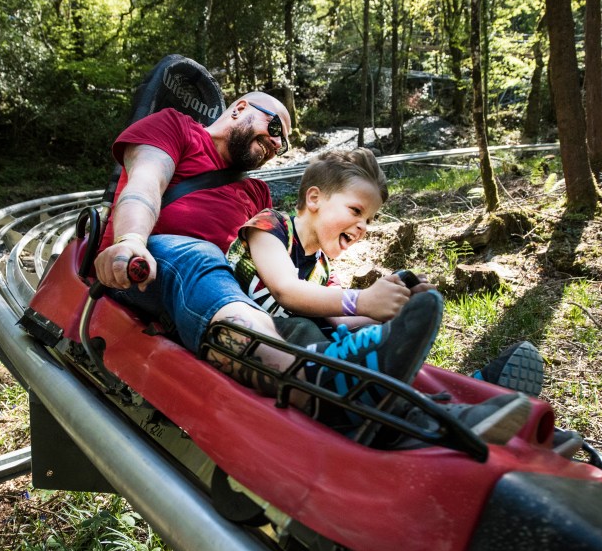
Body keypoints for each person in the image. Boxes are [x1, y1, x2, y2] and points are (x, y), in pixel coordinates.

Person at [93, 93, 528, 443]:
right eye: (275, 128)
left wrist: (387, 308)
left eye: (283, 142)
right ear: (241, 108)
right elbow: (146, 181)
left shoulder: (257, 194)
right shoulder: (176, 128)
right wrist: (130, 241)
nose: (277, 145)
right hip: (147, 268)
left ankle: (452, 408)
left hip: (225, 296)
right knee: (200, 257)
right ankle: (308, 378)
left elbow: (292, 275)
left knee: (339, 331)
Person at [224, 147, 537, 437]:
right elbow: (285, 289)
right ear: (315, 198)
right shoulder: (270, 226)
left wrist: (396, 310)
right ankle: (435, 417)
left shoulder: (321, 268)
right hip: (262, 345)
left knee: (378, 337)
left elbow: (340, 319)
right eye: (356, 210)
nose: (363, 226)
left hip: (317, 351)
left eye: (369, 219)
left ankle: (467, 396)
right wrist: (360, 299)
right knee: (303, 328)